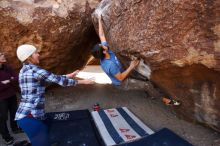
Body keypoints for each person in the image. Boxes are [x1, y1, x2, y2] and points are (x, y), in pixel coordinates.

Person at [15, 44, 95, 146]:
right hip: (30, 117)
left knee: (44, 136)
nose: (38, 54)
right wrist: (83, 82)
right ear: (28, 57)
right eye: (35, 53)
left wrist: (68, 76)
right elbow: (58, 80)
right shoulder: (35, 70)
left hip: (26, 115)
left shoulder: (24, 70)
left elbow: (50, 78)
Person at [91, 15, 180, 106]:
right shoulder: (109, 65)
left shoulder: (106, 52)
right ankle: (165, 100)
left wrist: (99, 19)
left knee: (143, 79)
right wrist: (131, 66)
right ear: (104, 51)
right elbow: (121, 78)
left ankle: (150, 93)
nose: (103, 44)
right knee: (147, 84)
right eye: (102, 46)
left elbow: (101, 35)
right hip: (122, 83)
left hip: (122, 71)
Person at [0, 52, 23, 145]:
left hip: (12, 95)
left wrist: (8, 81)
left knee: (14, 113)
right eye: (1, 55)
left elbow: (17, 78)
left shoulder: (8, 68)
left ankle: (15, 129)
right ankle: (6, 137)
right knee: (2, 118)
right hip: (1, 98)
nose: (4, 56)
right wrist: (10, 81)